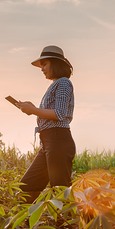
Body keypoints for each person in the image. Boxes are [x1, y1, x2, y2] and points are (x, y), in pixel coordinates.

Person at [16, 45, 76, 203]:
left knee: (59, 190)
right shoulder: (56, 84)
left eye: (44, 64)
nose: (42, 68)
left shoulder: (63, 83)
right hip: (49, 141)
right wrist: (32, 108)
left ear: (55, 64)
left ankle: (65, 226)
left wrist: (33, 110)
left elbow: (59, 113)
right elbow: (53, 112)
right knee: (26, 186)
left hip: (58, 140)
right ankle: (27, 225)